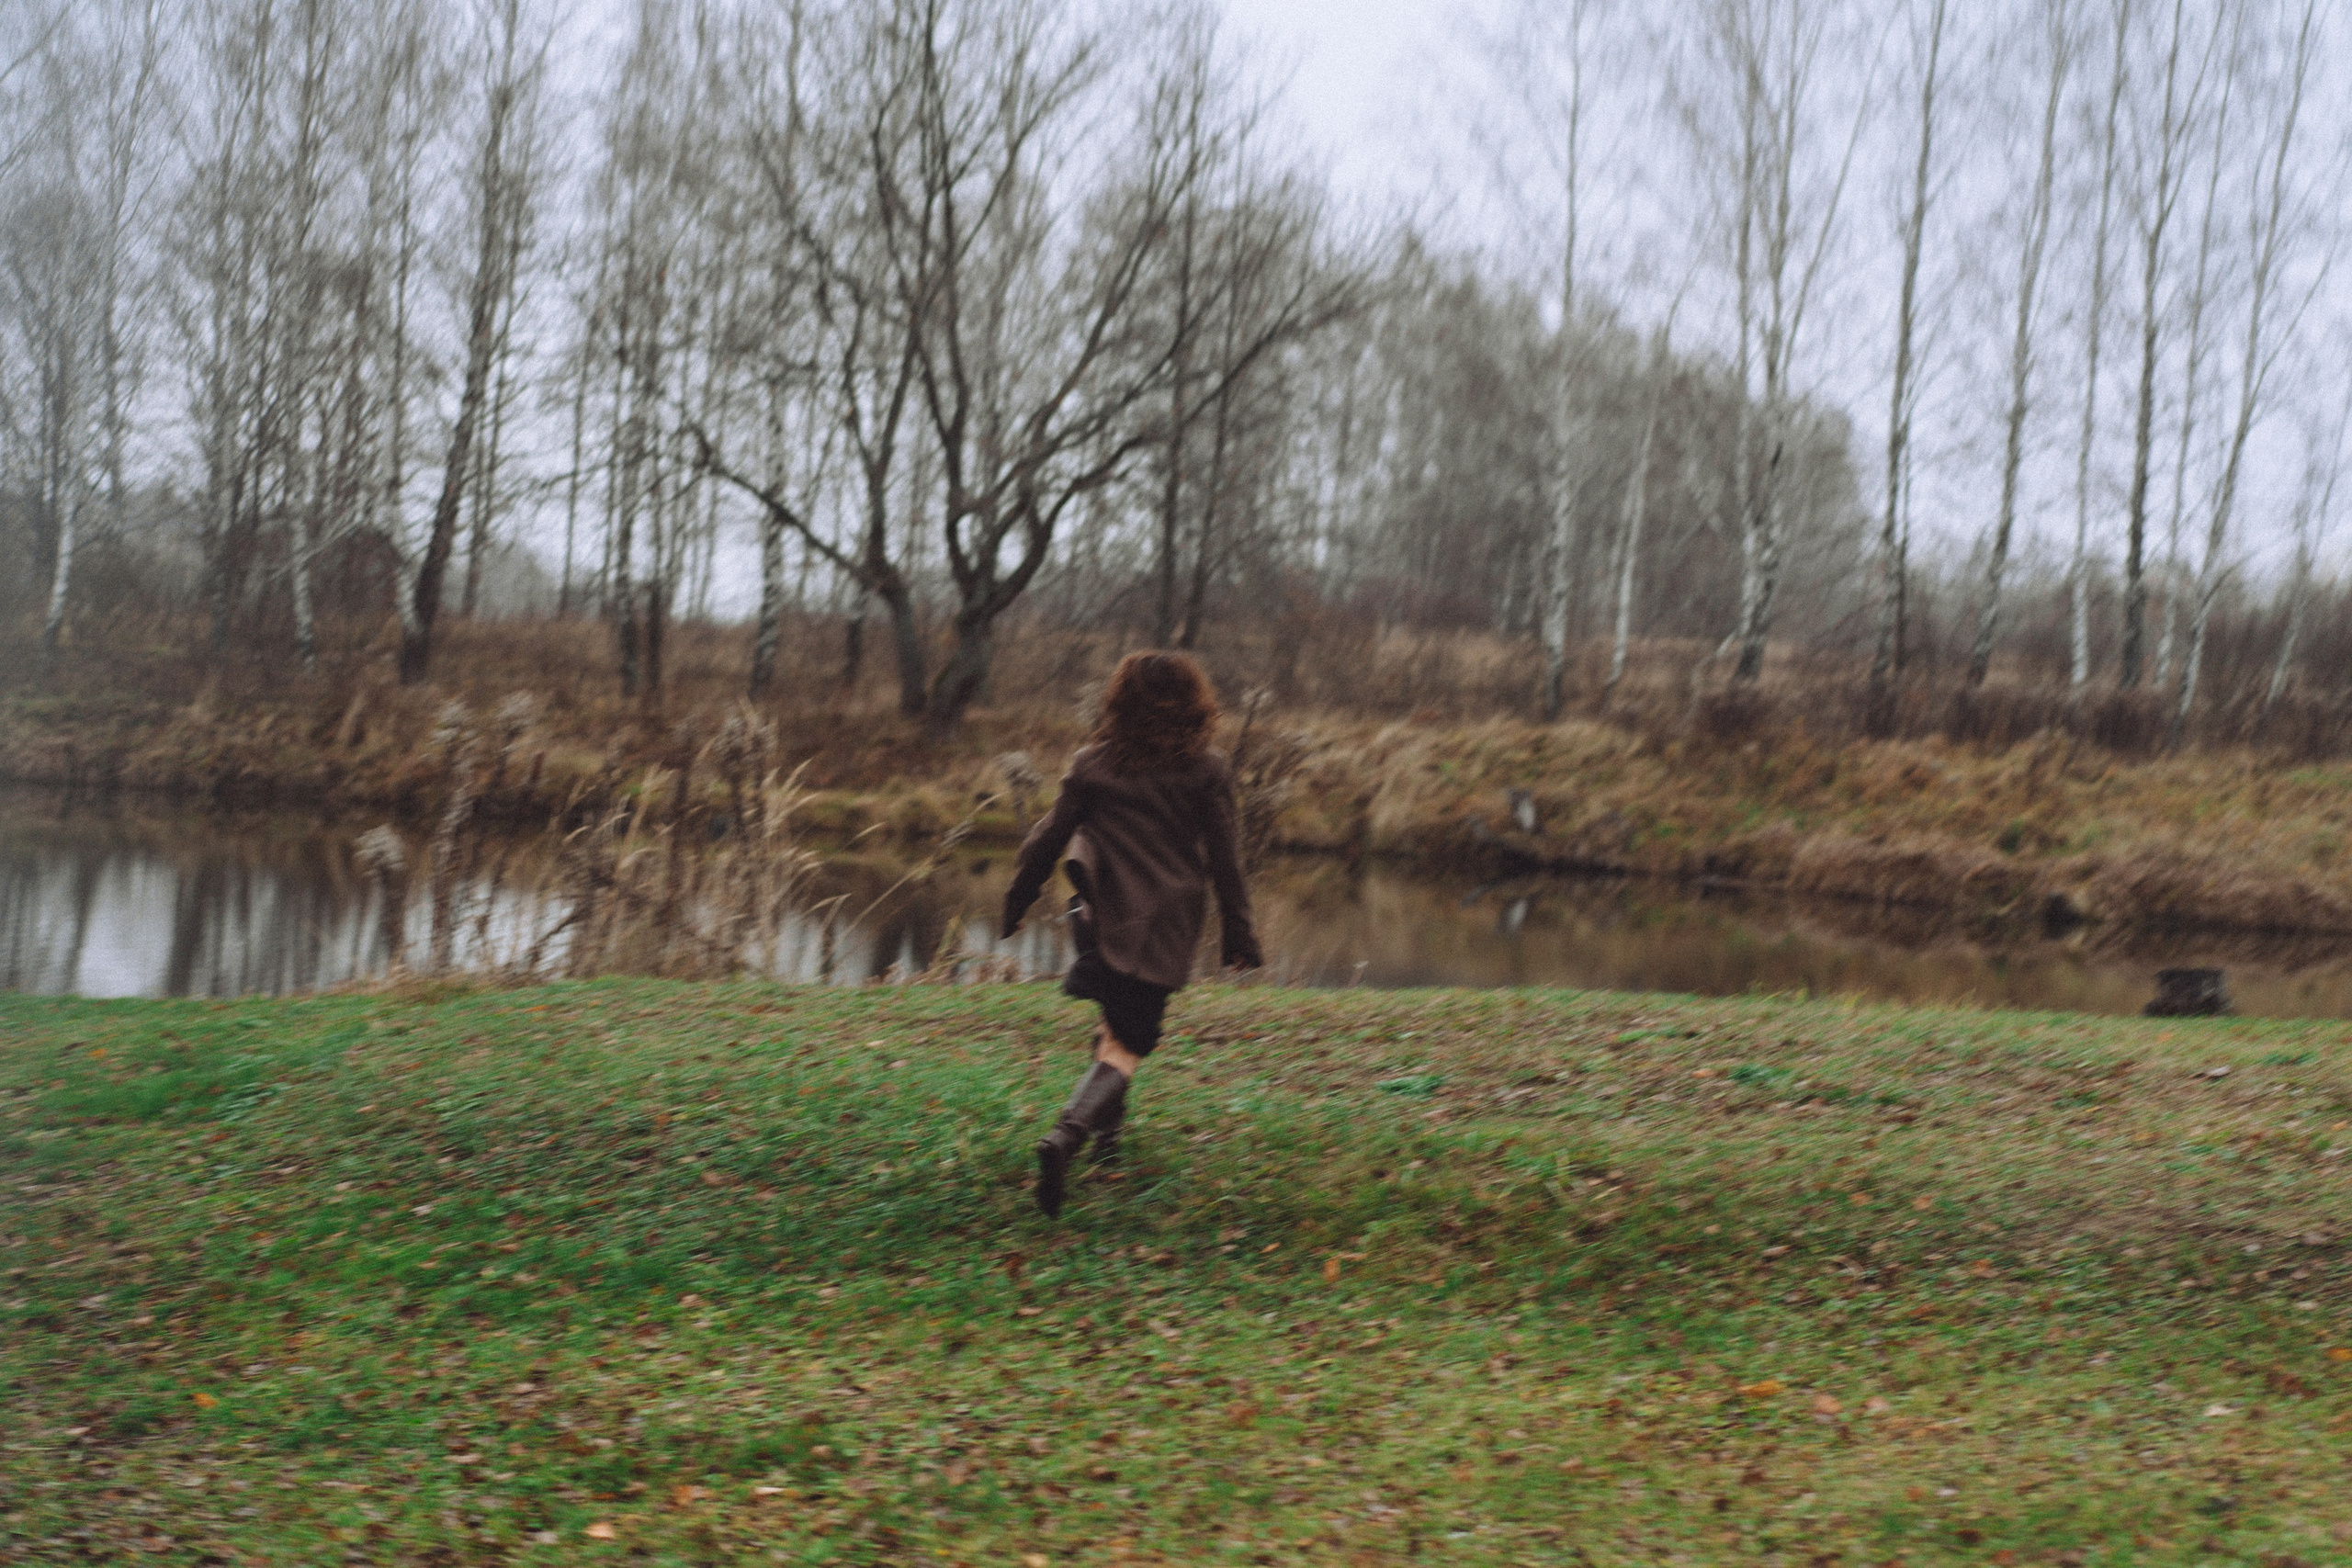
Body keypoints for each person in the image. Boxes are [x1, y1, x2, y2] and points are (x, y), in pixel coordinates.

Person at [1000, 651, 1262, 1217]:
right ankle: (1065, 1137)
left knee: (1114, 1021)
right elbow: (1226, 859)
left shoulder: (1092, 763)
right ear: (1194, 705)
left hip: (1094, 916)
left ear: (1119, 702)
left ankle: (1107, 1142)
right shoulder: (1207, 770)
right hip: (1162, 927)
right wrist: (1239, 932)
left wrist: (1017, 901)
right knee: (1129, 1043)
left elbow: (1047, 839)